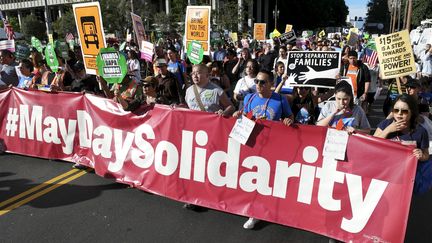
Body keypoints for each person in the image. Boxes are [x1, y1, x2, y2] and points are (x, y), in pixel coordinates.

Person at [233, 69, 293, 229]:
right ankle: (254, 213)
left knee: (270, 180)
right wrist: (238, 114)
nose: (258, 85)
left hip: (273, 146)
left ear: (271, 84)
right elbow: (245, 117)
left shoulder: (280, 99)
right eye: (256, 81)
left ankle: (271, 208)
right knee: (254, 179)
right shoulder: (249, 97)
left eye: (262, 82)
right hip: (253, 144)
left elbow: (290, 117)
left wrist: (288, 120)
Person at [374, 94, 429, 162]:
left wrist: (422, 156)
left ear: (412, 112)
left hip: (407, 171)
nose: (399, 113)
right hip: (385, 167)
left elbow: (426, 154)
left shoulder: (421, 131)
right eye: (396, 110)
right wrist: (388, 130)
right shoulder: (385, 124)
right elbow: (372, 144)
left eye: (404, 111)